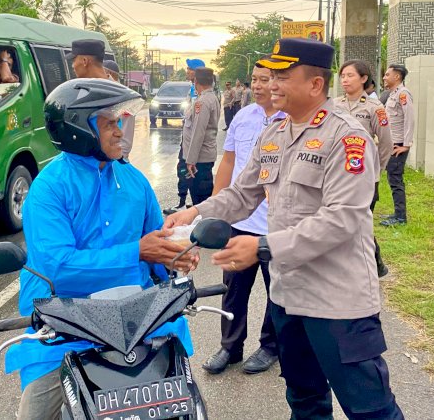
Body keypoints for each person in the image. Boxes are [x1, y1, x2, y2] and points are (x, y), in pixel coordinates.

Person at [165, 38, 404, 420]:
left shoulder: (347, 137)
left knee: (370, 409)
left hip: (337, 300)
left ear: (314, 84)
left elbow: (342, 218)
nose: (271, 84)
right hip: (289, 297)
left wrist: (262, 247)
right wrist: (193, 214)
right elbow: (242, 195)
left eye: (282, 76)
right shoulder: (273, 133)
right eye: (270, 75)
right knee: (305, 401)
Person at [6, 78, 196, 420]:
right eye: (109, 123)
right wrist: (136, 252)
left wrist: (175, 255)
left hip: (137, 320)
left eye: (119, 122)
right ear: (79, 129)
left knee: (186, 406)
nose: (120, 131)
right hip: (66, 323)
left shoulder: (134, 180)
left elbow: (157, 242)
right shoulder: (49, 188)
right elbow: (57, 267)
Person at [203, 63, 285, 375]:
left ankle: (270, 347)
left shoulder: (290, 121)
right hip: (240, 222)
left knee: (276, 291)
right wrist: (213, 209)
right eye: (255, 79)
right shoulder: (243, 116)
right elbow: (228, 162)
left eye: (267, 79)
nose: (260, 85)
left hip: (274, 228)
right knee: (233, 290)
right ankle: (230, 347)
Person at [335, 60, 393, 277]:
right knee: (340, 219)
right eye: (343, 76)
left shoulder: (374, 108)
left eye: (350, 75)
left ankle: (375, 264)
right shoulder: (334, 106)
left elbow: (386, 143)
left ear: (363, 79)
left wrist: (375, 169)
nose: (345, 80)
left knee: (361, 220)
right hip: (338, 174)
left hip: (364, 176)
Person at [164, 59, 205, 214]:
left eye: (190, 68)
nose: (187, 71)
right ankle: (184, 202)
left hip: (192, 141)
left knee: (189, 171)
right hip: (187, 138)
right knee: (184, 170)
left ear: (197, 71)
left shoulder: (199, 93)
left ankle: (192, 207)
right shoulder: (192, 89)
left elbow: (197, 121)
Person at [380, 64, 415, 227]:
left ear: (397, 77)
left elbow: (410, 119)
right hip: (391, 143)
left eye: (387, 75)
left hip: (398, 144)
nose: (384, 77)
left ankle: (400, 217)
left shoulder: (403, 94)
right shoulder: (392, 94)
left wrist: (406, 145)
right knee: (392, 178)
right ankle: (398, 213)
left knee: (395, 180)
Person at [181, 67, 220, 205]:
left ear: (196, 81)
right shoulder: (211, 97)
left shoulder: (202, 102)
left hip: (200, 159)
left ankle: (205, 224)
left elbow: (198, 132)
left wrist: (190, 160)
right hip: (204, 156)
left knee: (200, 199)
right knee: (203, 197)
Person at [104, 59, 135, 161]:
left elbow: (126, 132)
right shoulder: (104, 92)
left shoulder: (123, 97)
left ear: (109, 73)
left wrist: (121, 157)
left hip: (118, 158)